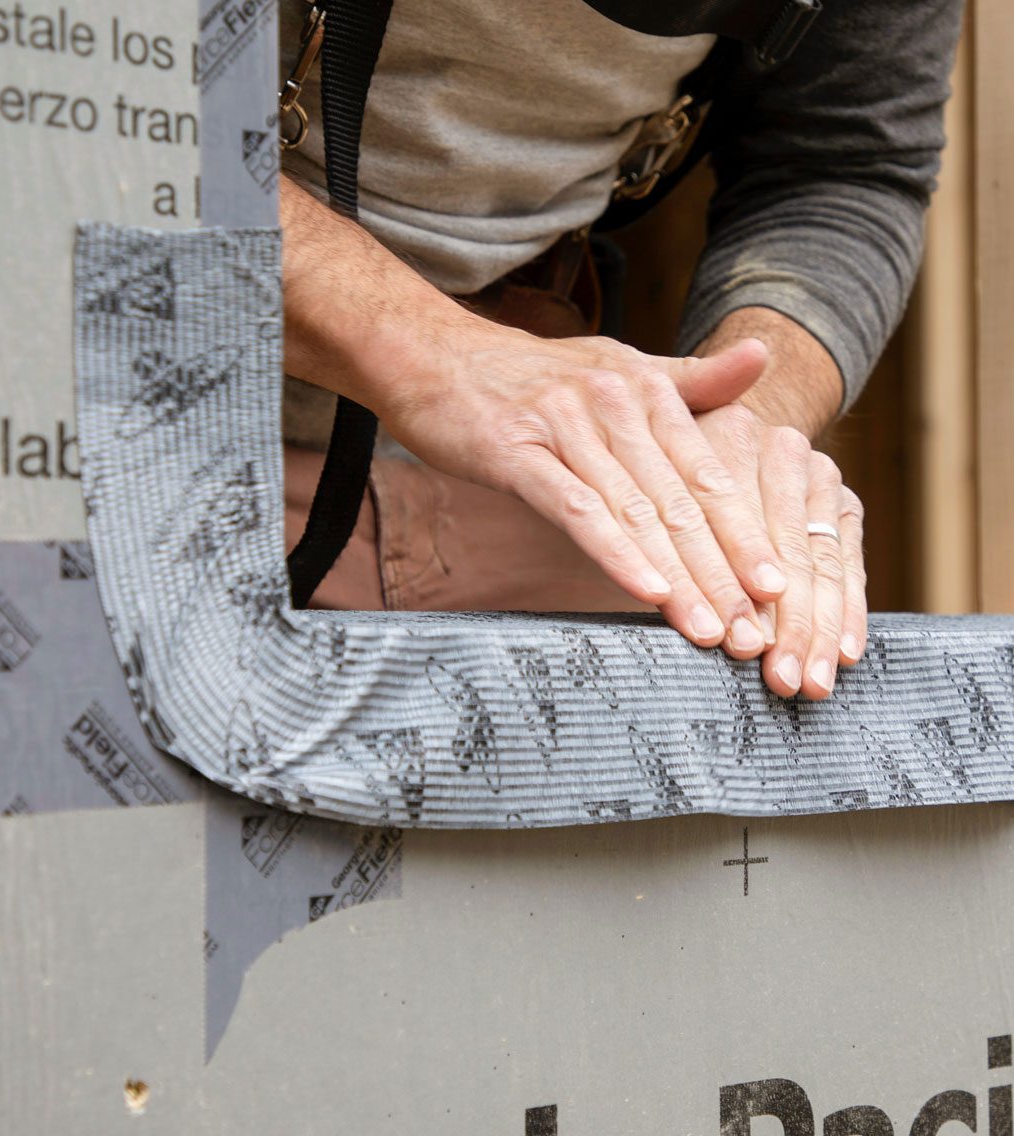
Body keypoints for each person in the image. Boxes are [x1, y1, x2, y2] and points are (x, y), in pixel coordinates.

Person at [276, 0, 963, 699]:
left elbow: (841, 168)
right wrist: (428, 350)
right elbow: (159, 131)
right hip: (200, 427)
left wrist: (734, 434)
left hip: (542, 501)